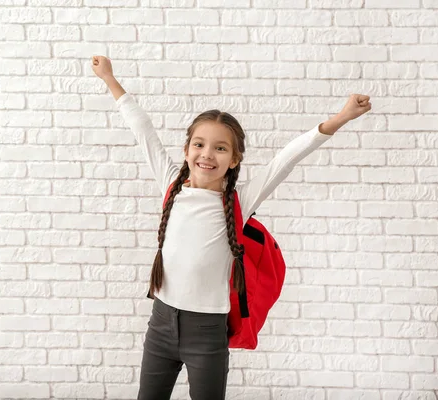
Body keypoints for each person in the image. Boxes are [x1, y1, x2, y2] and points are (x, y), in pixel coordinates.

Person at [91, 55, 371, 400]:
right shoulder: (170, 185)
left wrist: (340, 118)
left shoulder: (240, 202)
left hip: (207, 332)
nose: (207, 154)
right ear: (186, 149)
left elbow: (286, 158)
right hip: (160, 324)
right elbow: (141, 128)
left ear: (234, 159)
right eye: (200, 144)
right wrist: (109, 79)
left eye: (220, 148)